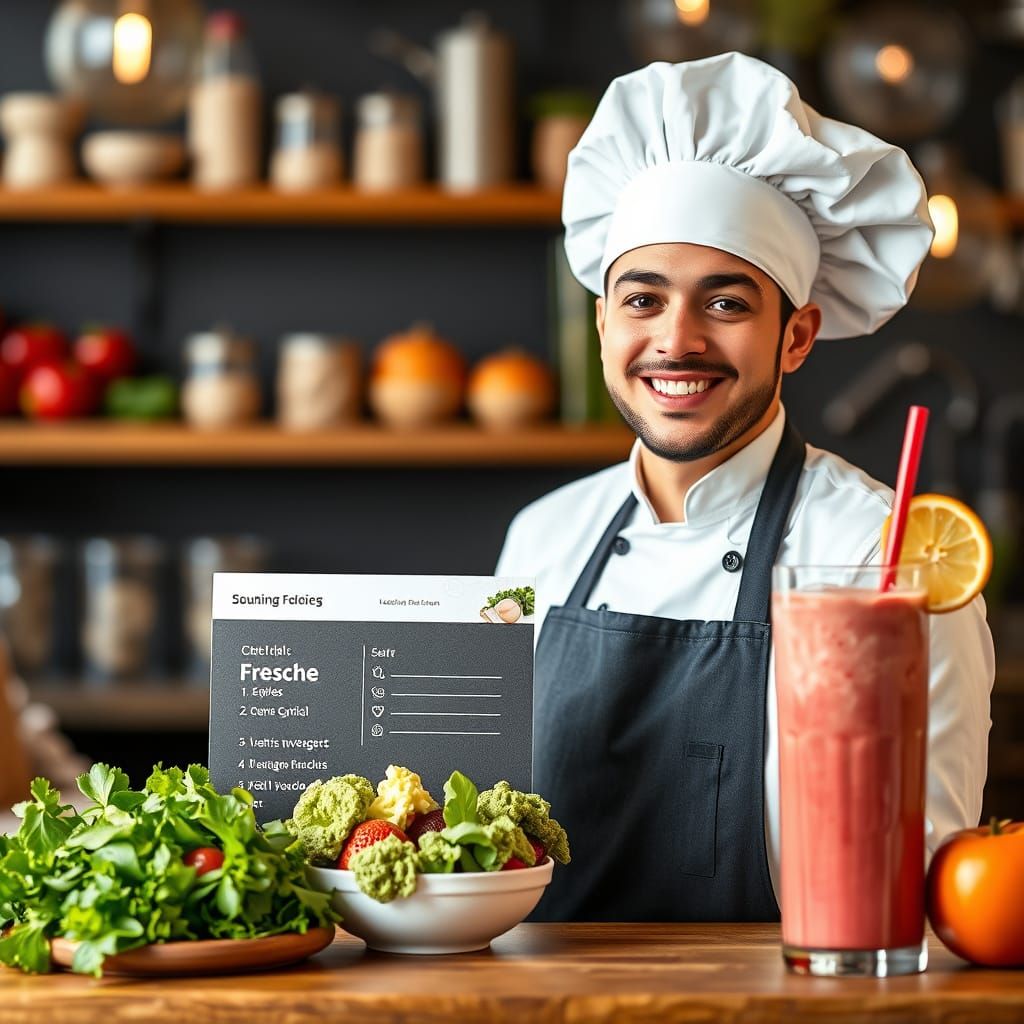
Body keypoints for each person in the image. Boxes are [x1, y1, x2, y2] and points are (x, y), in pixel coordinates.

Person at [495, 53, 994, 922]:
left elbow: (914, 888)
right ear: (603, 322)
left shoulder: (879, 556)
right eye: (642, 300)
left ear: (796, 337)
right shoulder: (542, 537)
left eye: (725, 304)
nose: (676, 340)